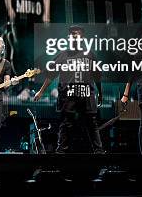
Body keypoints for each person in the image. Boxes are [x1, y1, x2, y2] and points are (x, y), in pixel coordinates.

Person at [34, 25, 104, 153]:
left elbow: (97, 75)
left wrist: (100, 93)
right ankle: (61, 153)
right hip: (68, 96)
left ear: (82, 37)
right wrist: (41, 91)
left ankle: (99, 152)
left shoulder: (89, 55)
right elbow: (51, 74)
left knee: (91, 123)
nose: (74, 35)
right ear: (68, 37)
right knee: (66, 124)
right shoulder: (63, 55)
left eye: (77, 33)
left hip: (86, 95)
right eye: (72, 34)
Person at [3, 0, 53, 99]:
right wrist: (9, 8)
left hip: (37, 18)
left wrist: (46, 14)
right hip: (21, 18)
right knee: (22, 53)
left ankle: (43, 87)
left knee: (39, 53)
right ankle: (24, 88)